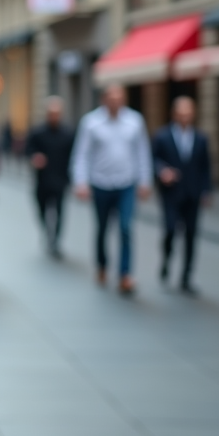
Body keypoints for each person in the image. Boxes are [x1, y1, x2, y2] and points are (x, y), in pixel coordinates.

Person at [71, 84, 152, 296]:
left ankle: (125, 274)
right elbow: (82, 154)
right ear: (104, 100)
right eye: (112, 98)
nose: (116, 102)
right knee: (102, 228)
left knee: (126, 227)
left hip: (126, 183)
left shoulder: (135, 121)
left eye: (120, 98)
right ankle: (102, 265)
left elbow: (142, 152)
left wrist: (145, 181)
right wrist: (81, 182)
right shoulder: (91, 123)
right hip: (101, 184)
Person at [152, 96, 212, 295]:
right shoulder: (162, 136)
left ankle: (186, 276)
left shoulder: (201, 138)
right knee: (170, 230)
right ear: (174, 114)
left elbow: (206, 167)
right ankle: (167, 258)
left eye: (188, 112)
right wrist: (162, 172)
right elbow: (153, 160)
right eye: (181, 112)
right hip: (171, 194)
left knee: (191, 235)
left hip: (192, 194)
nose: (185, 116)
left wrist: (207, 190)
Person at [26, 96, 76, 257]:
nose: (54, 116)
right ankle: (46, 231)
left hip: (61, 179)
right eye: (51, 113)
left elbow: (74, 156)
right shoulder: (38, 132)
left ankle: (55, 240)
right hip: (42, 180)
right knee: (42, 210)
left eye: (57, 113)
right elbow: (28, 150)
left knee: (60, 212)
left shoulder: (68, 133)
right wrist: (35, 158)